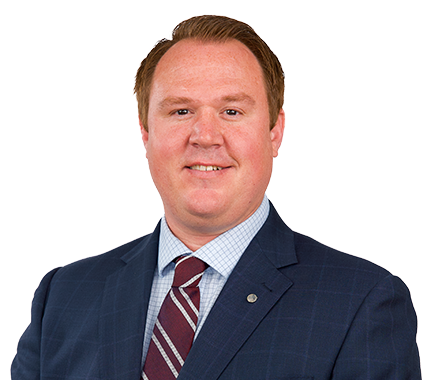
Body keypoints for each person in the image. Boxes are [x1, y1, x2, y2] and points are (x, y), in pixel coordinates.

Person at [11, 15, 421, 379]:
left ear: (275, 132)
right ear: (145, 132)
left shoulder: (361, 303)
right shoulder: (64, 296)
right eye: (180, 111)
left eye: (232, 111)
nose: (205, 137)